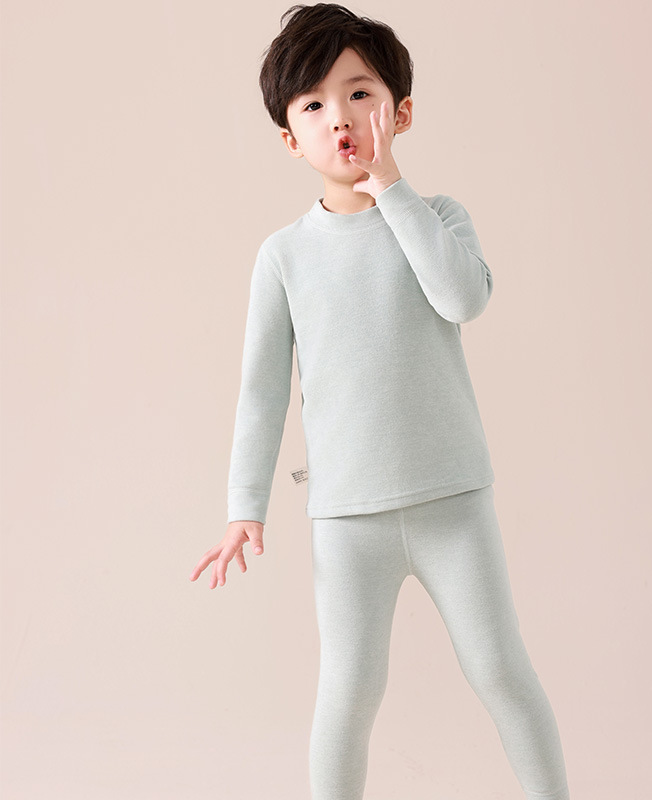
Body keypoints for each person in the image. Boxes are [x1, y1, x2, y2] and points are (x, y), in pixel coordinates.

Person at [189, 4, 571, 798]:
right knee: (349, 694)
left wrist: (391, 188)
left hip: (453, 502)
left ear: (400, 113)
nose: (340, 119)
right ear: (290, 139)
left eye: (359, 94)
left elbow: (462, 298)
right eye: (314, 105)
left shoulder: (439, 218)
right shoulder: (284, 256)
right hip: (347, 518)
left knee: (500, 669)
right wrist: (243, 508)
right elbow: (262, 392)